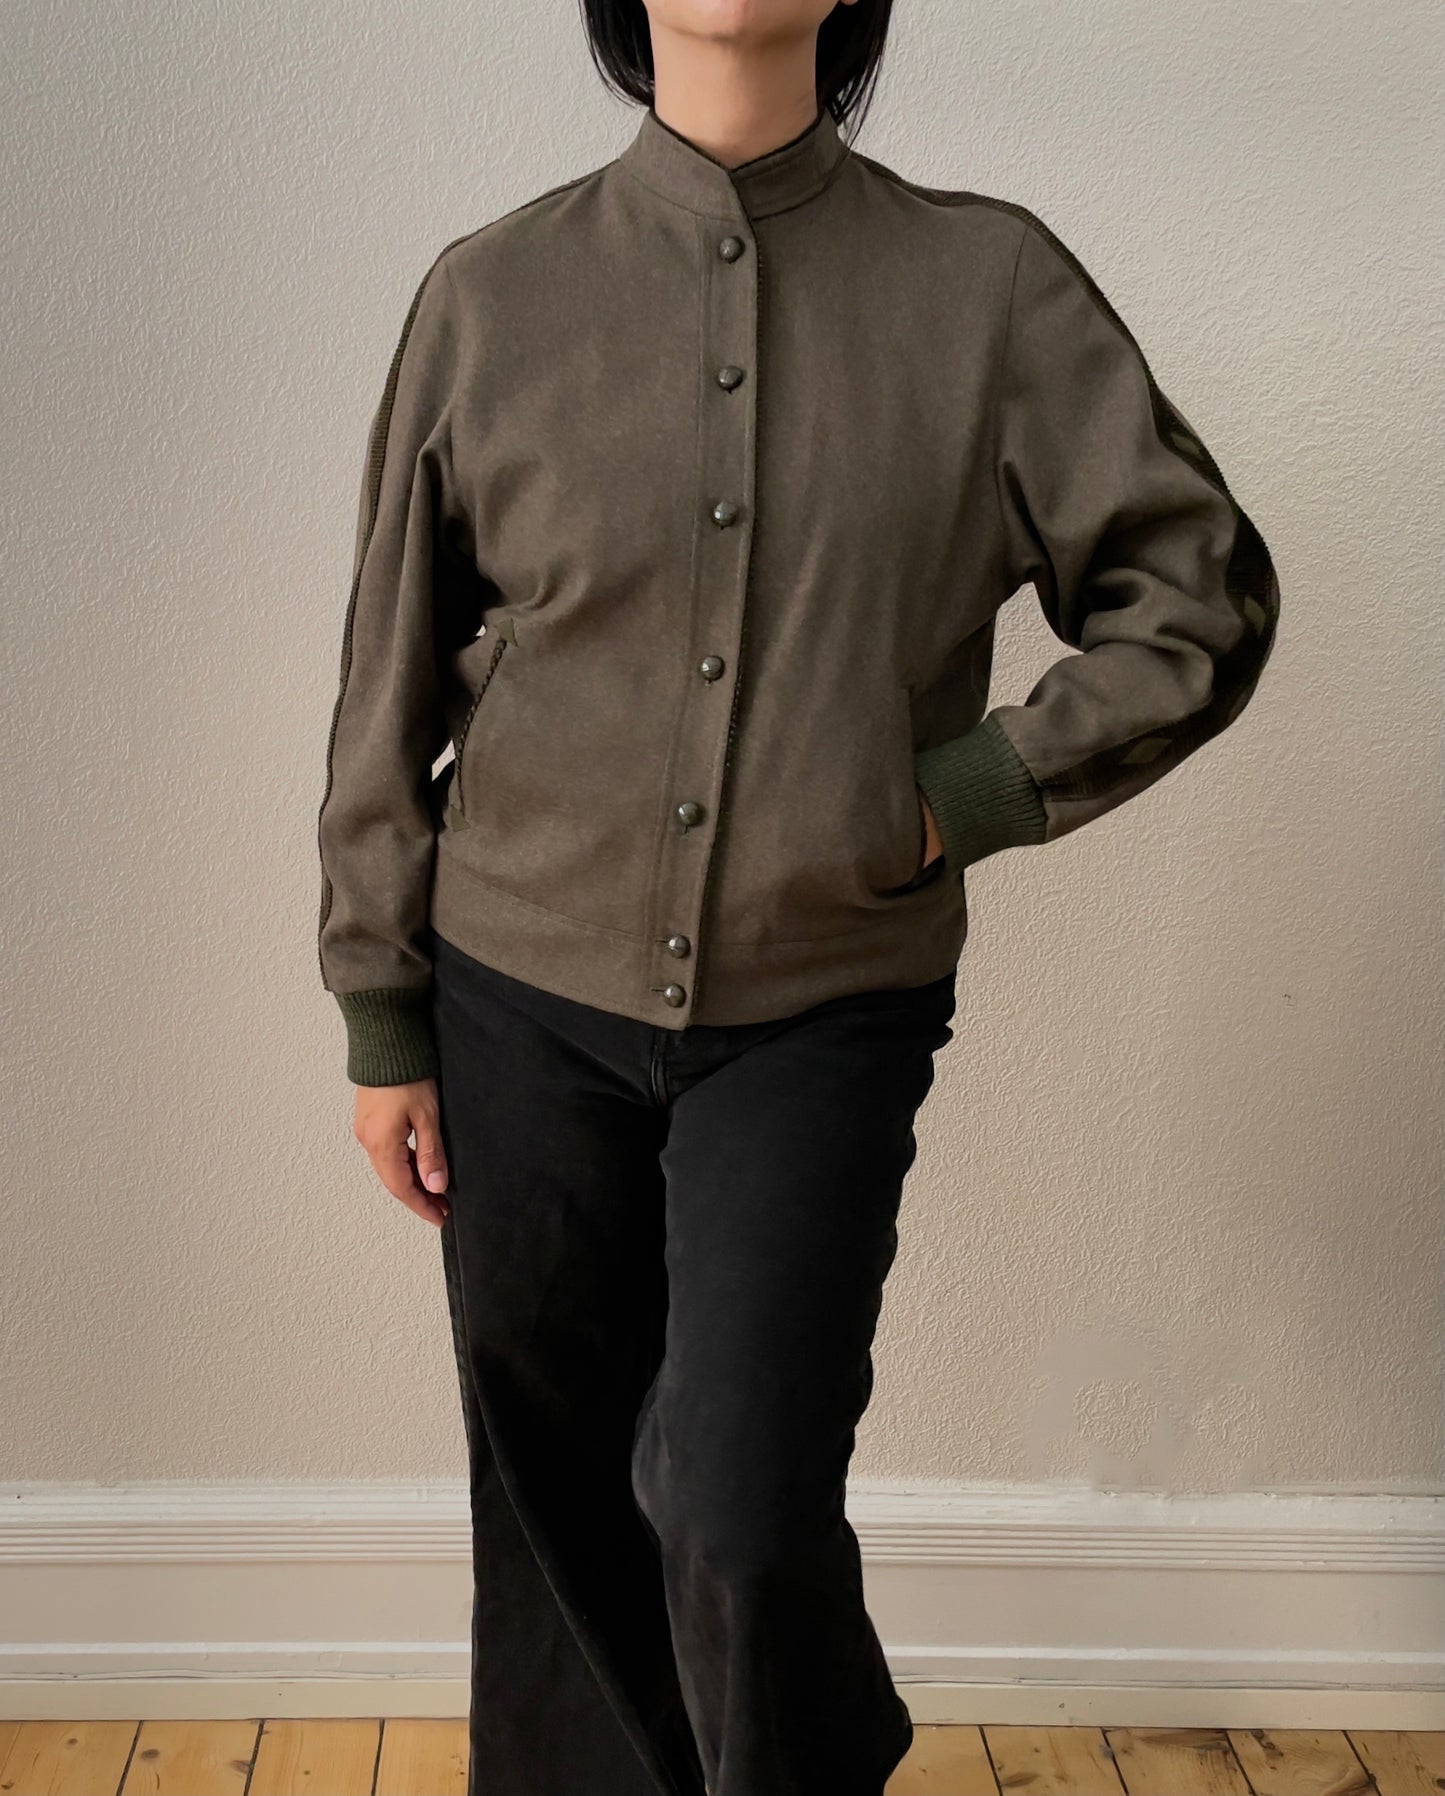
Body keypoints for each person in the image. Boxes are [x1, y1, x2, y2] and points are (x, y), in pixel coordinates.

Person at [314, 2, 1281, 1792]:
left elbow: (1196, 599)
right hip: (513, 988)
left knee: (735, 1495)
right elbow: (390, 674)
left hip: (824, 1005)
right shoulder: (490, 295)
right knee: (554, 1488)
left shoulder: (988, 289)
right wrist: (382, 1003)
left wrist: (961, 797)